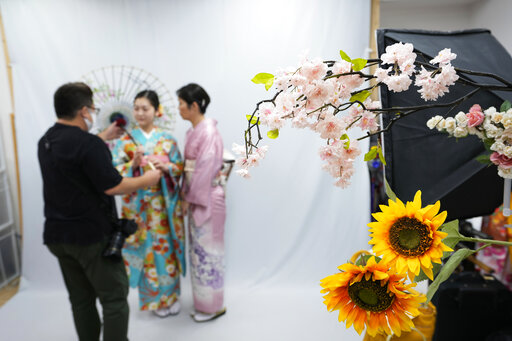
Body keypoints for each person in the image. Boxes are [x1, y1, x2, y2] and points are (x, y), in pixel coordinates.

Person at [38, 82, 162, 341]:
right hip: (91, 237)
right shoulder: (88, 145)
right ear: (84, 111)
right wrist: (147, 179)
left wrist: (103, 136)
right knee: (114, 299)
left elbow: (74, 154)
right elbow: (114, 186)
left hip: (57, 236)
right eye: (92, 109)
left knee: (81, 300)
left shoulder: (47, 140)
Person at [112, 90, 185, 317]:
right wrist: (133, 164)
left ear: (156, 110)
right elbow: (115, 171)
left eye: (145, 108)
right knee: (145, 249)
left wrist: (167, 168)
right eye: (136, 108)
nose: (140, 113)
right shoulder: (124, 141)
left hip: (162, 205)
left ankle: (171, 296)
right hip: (138, 206)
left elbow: (179, 166)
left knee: (165, 248)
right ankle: (153, 300)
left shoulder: (167, 140)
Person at [177, 83, 227, 322]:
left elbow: (205, 170)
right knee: (199, 252)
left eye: (181, 104)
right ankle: (203, 303)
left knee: (209, 252)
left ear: (194, 105)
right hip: (198, 196)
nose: (179, 108)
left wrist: (187, 197)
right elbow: (191, 169)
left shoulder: (208, 132)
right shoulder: (194, 131)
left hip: (207, 198)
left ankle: (212, 306)